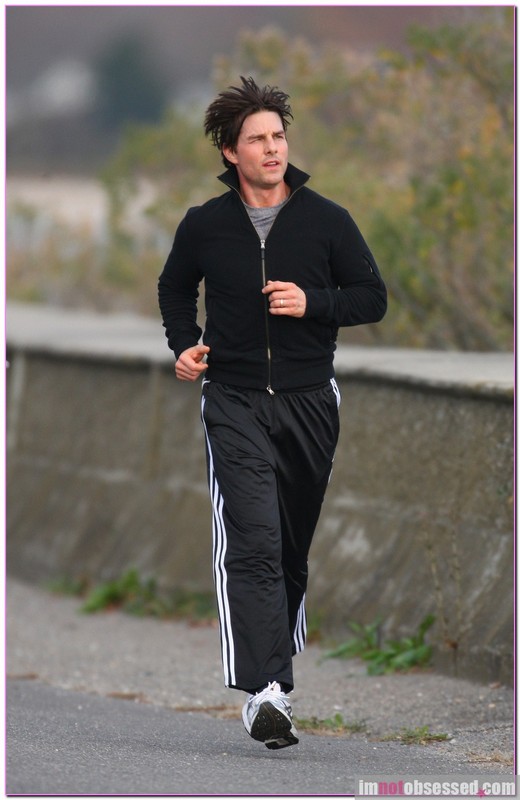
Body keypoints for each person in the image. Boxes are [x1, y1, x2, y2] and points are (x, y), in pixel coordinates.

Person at [158, 76, 387, 750]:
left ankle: (273, 677)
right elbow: (174, 289)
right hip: (232, 399)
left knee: (288, 546)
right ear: (231, 152)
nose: (271, 148)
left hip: (310, 400)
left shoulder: (327, 220)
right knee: (253, 540)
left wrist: (314, 303)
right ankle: (265, 691)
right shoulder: (205, 224)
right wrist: (184, 345)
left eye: (278, 136)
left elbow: (371, 297)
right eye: (256, 139)